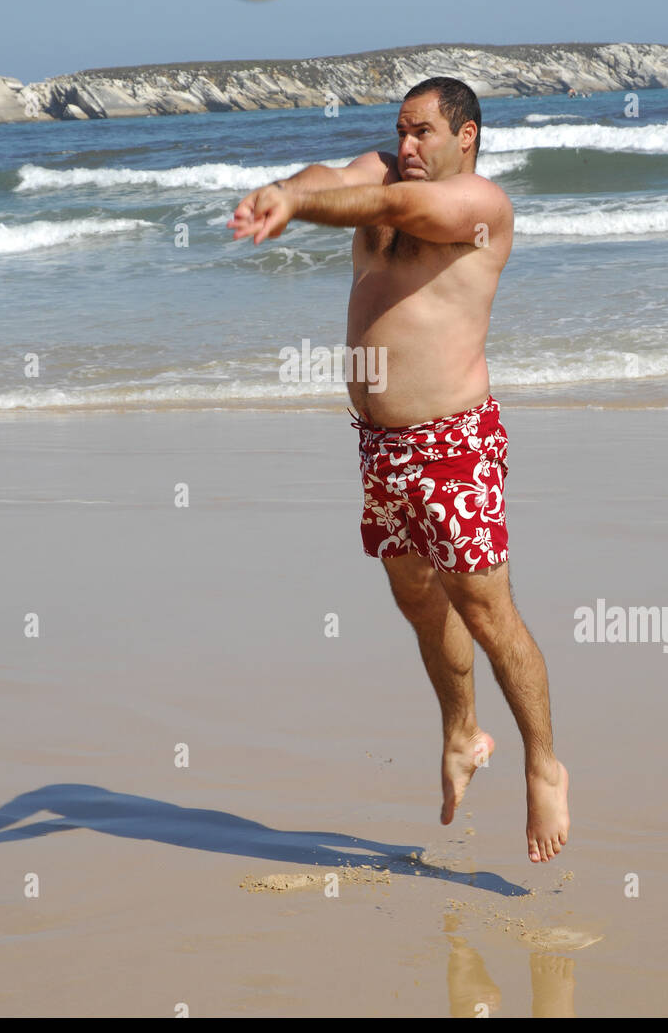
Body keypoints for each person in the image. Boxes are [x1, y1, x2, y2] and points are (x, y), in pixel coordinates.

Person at [228, 77, 569, 863]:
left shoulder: (478, 208)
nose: (405, 147)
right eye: (399, 131)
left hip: (452, 444)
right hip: (380, 447)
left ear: (467, 137)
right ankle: (460, 730)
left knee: (484, 610)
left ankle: (544, 763)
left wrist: (300, 208)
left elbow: (391, 212)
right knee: (416, 596)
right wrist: (286, 190)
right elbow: (332, 181)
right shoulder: (383, 170)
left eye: (422, 133)